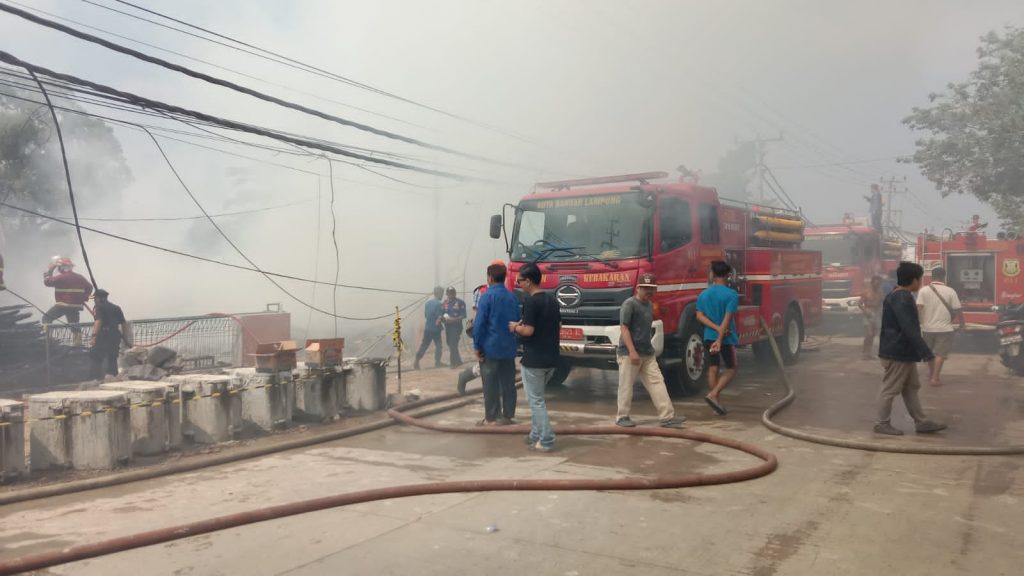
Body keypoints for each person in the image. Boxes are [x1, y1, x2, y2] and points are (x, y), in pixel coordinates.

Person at [875, 262, 947, 436]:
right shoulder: (902, 297)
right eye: (920, 279)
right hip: (897, 352)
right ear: (914, 280)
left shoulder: (897, 295)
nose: (921, 282)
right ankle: (881, 423)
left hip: (902, 352)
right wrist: (927, 354)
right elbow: (909, 329)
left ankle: (921, 422)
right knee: (890, 389)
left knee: (911, 387)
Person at [615, 273, 685, 428]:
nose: (649, 291)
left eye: (652, 289)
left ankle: (667, 417)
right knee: (626, 385)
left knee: (657, 383)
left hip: (647, 353)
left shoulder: (649, 304)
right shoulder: (629, 304)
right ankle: (622, 416)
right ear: (638, 288)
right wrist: (632, 351)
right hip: (629, 354)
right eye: (646, 288)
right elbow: (624, 328)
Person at [509, 262, 560, 452]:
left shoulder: (531, 302)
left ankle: (546, 439)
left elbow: (528, 331)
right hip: (551, 358)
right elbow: (557, 327)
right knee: (538, 398)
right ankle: (535, 434)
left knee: (536, 401)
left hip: (534, 360)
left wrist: (515, 327)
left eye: (520, 281)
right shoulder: (552, 300)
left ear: (528, 281)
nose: (518, 284)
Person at [473, 262, 520, 425]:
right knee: (508, 383)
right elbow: (517, 321)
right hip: (508, 348)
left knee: (490, 384)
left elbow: (479, 324)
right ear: (505, 277)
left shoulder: (486, 297)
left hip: (490, 348)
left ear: (490, 278)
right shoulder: (512, 297)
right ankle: (508, 416)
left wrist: (477, 347)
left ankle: (491, 418)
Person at [697, 261, 740, 416]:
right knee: (731, 368)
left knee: (713, 368)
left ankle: (716, 404)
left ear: (713, 274)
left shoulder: (704, 294)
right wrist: (720, 338)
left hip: (709, 335)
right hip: (726, 338)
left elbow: (699, 316)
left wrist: (714, 329)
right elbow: (727, 319)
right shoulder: (731, 295)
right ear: (728, 275)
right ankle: (713, 394)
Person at [916, 267, 965, 386]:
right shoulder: (950, 291)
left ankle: (932, 372)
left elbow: (919, 309)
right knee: (940, 354)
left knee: (930, 353)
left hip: (927, 328)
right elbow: (958, 310)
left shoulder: (923, 291)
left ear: (932, 276)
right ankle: (935, 378)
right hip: (945, 329)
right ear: (944, 277)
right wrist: (962, 324)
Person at [42, 256, 93, 345]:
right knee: (74, 325)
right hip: (75, 307)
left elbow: (47, 282)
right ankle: (78, 345)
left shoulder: (61, 277)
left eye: (59, 267)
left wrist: (50, 271)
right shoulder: (80, 277)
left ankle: (48, 341)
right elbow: (90, 287)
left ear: (62, 267)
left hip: (62, 305)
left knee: (46, 318)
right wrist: (84, 297)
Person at [89, 289, 129, 380]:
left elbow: (98, 321)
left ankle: (96, 378)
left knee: (96, 356)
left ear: (99, 298)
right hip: (115, 335)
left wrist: (94, 336)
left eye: (94, 298)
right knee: (112, 357)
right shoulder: (116, 307)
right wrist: (125, 337)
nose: (94, 300)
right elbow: (123, 323)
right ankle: (113, 377)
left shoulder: (97, 307)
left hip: (103, 335)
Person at [413, 286, 445, 370]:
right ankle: (437, 362)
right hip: (436, 329)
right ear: (438, 293)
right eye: (442, 293)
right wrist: (442, 320)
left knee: (424, 345)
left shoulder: (428, 303)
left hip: (428, 328)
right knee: (438, 345)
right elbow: (439, 317)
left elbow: (426, 315)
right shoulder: (438, 304)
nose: (442, 295)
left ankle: (417, 360)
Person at [857, 276, 885, 360]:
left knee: (872, 335)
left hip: (876, 314)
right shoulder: (867, 291)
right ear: (872, 283)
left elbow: (882, 302)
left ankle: (869, 353)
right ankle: (864, 352)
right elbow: (859, 303)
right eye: (876, 283)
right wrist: (865, 311)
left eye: (879, 283)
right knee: (868, 334)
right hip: (868, 313)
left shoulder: (880, 292)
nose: (877, 285)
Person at [441, 287, 467, 368]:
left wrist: (453, 319)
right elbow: (442, 315)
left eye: (452, 293)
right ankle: (458, 361)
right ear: (447, 294)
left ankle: (453, 363)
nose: (451, 294)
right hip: (448, 327)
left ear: (455, 293)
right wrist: (443, 319)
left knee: (453, 344)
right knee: (450, 344)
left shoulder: (460, 302)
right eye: (449, 293)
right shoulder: (444, 303)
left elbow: (463, 316)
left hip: (456, 327)